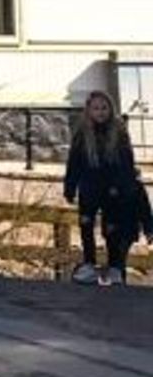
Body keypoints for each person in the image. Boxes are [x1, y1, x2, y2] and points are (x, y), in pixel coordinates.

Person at [62, 90, 147, 285]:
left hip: (112, 189)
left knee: (111, 228)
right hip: (89, 187)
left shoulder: (119, 132)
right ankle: (89, 264)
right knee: (86, 225)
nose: (100, 112)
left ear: (110, 109)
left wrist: (125, 184)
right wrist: (70, 187)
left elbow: (127, 162)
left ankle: (114, 267)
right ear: (89, 111)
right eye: (96, 108)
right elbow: (73, 163)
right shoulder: (82, 134)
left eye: (104, 108)